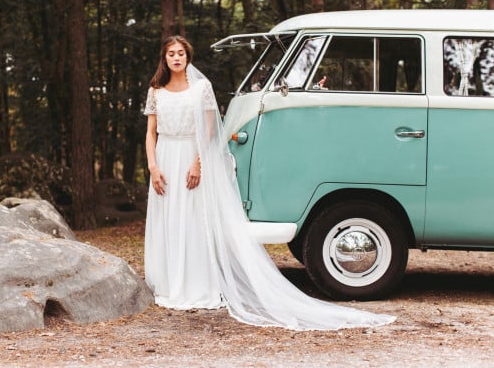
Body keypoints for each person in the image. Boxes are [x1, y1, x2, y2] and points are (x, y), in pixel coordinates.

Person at [143, 35, 395, 330]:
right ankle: (169, 284)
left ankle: (196, 285)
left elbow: (211, 131)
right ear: (165, 58)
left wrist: (198, 162)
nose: (176, 58)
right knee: (169, 221)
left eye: (181, 53)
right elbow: (151, 132)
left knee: (194, 221)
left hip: (190, 157)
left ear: (188, 57)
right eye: (171, 53)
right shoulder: (156, 90)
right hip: (164, 158)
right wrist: (152, 166)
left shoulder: (201, 88)